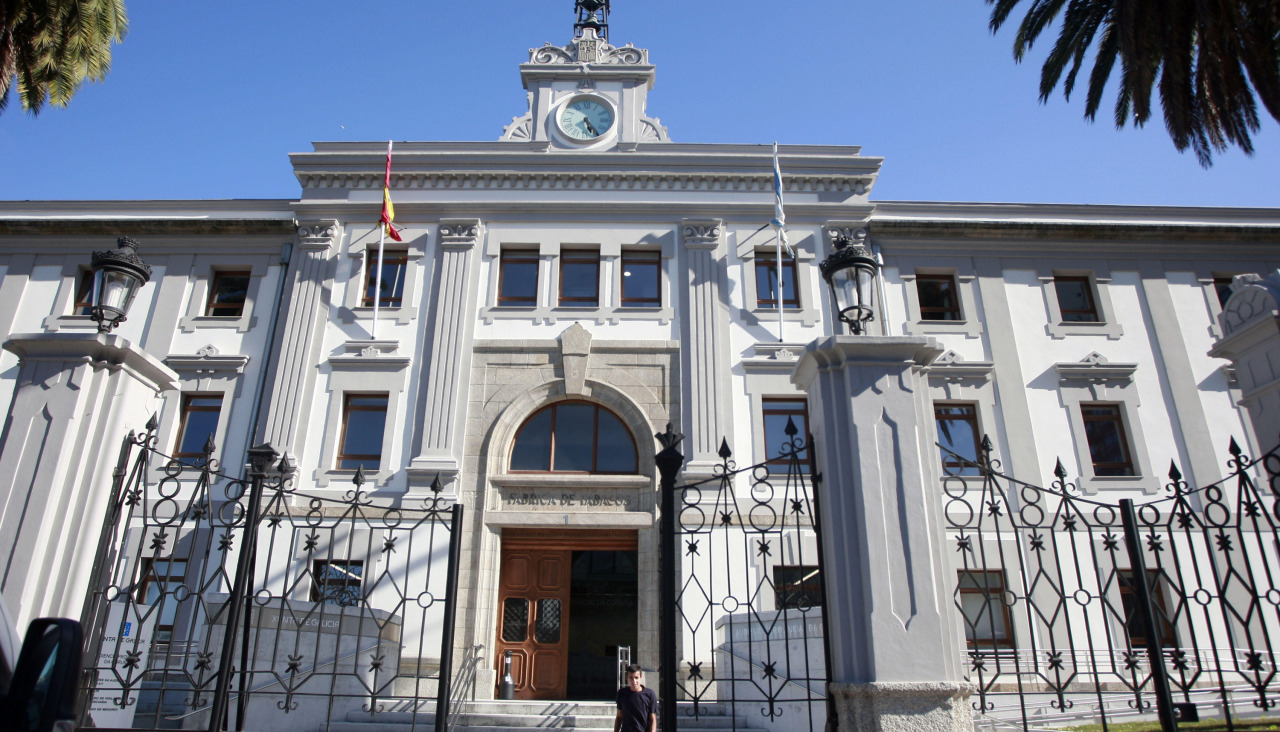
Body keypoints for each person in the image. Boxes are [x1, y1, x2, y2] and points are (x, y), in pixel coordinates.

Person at [615, 664, 657, 732]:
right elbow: (619, 716)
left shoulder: (650, 695)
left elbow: (653, 719)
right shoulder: (622, 693)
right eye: (631, 678)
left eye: (636, 677)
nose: (634, 681)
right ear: (627, 678)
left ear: (640, 677)